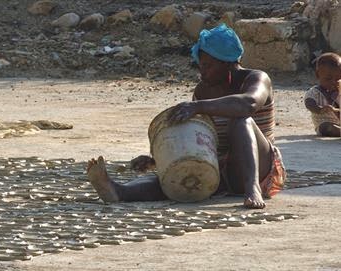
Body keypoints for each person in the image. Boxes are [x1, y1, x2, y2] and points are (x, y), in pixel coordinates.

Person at [87, 24, 286, 209]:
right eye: (201, 64)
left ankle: (253, 189)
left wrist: (197, 106)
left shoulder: (256, 79)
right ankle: (119, 191)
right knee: (175, 178)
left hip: (261, 168)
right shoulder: (203, 91)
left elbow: (248, 104)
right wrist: (159, 160)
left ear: (227, 64)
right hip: (225, 169)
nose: (202, 71)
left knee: (241, 120)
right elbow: (200, 138)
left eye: (208, 65)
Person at [304, 52, 341, 137]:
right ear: (318, 75)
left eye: (338, 79)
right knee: (327, 128)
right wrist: (319, 109)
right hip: (325, 122)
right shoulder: (315, 92)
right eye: (328, 79)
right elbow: (309, 103)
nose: (333, 82)